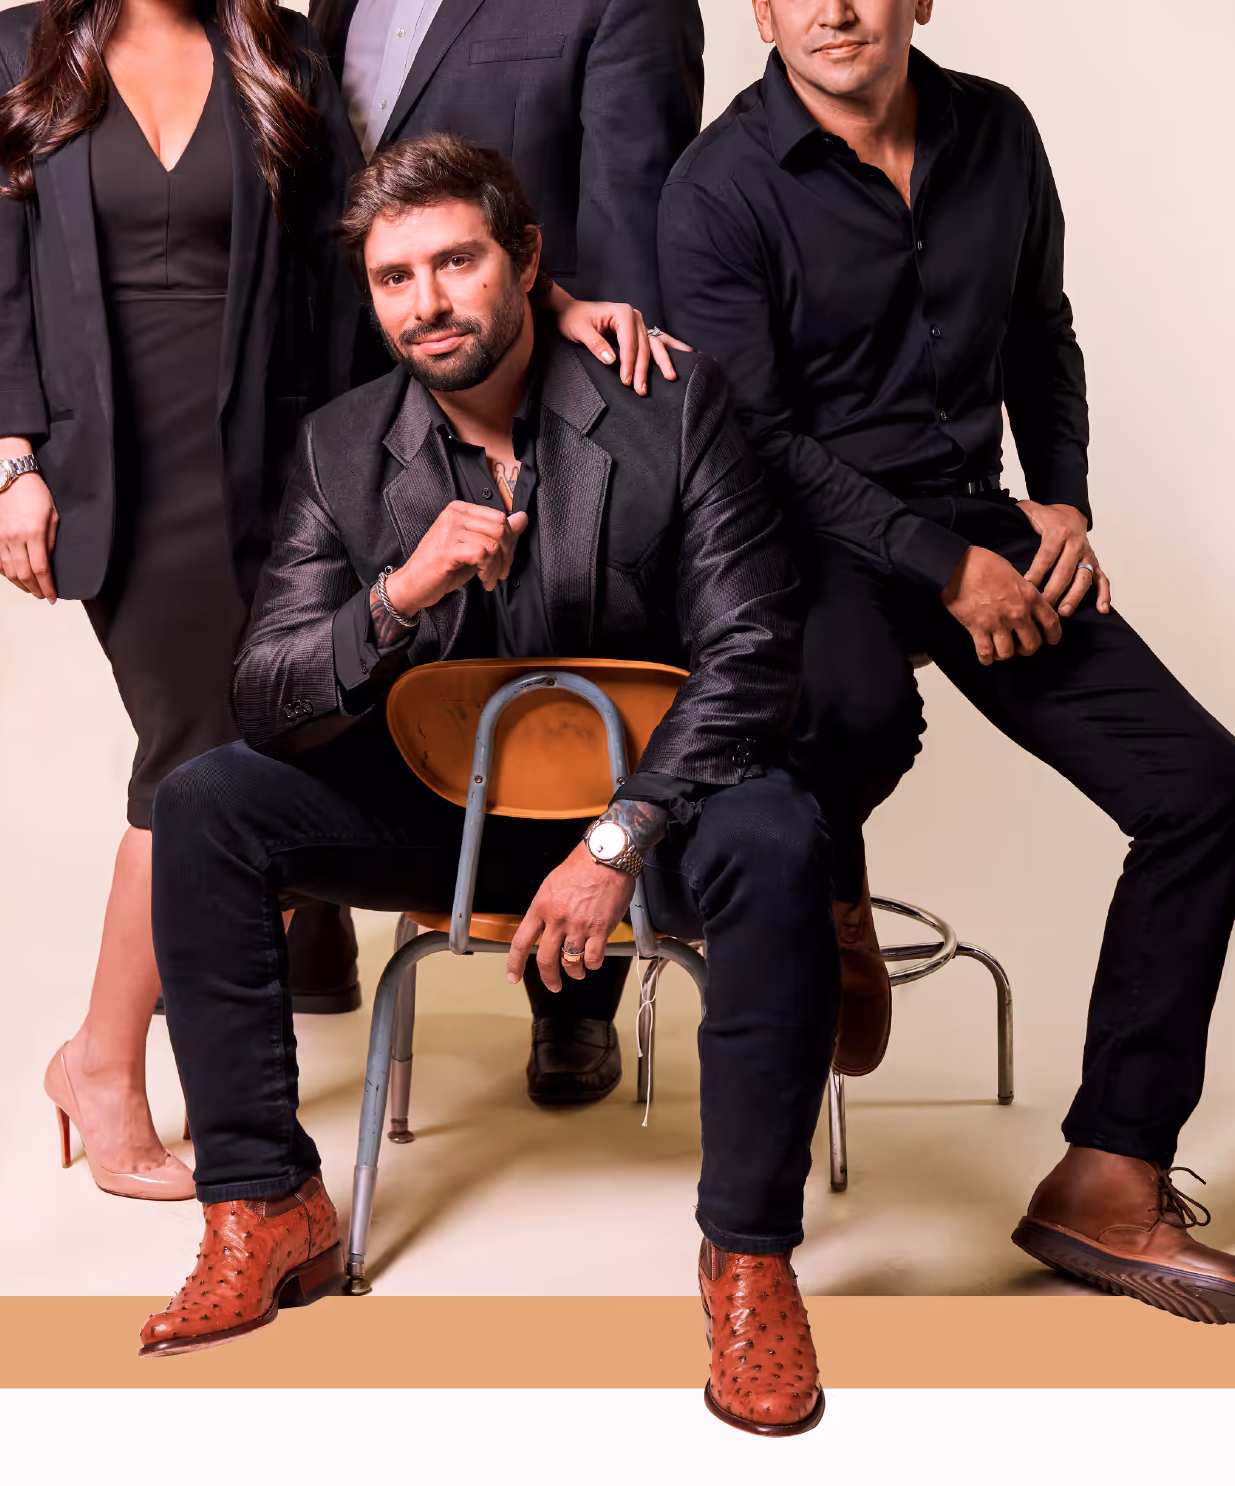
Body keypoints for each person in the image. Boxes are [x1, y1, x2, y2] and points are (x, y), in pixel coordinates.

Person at [0, 0, 654, 1203]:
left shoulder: (280, 53)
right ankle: (105, 1054)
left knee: (218, 757)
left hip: (273, 462)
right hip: (112, 474)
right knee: (197, 751)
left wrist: (546, 296)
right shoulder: (8, 57)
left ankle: (139, 1053)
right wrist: (10, 460)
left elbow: (365, 245)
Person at [144, 135, 833, 1436]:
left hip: (642, 820)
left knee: (784, 833)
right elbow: (266, 691)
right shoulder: (343, 448)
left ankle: (748, 1259)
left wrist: (621, 835)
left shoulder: (671, 404)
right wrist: (395, 596)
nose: (428, 300)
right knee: (205, 801)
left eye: (455, 260)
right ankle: (263, 1199)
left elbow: (752, 651)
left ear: (523, 260)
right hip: (438, 821)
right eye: (396, 277)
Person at [657, 0, 1235, 1325]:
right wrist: (942, 565)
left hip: (980, 516)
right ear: (760, 8)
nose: (835, 8)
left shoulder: (997, 129)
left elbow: (1040, 332)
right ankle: (820, 935)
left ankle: (1109, 1170)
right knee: (842, 722)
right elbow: (757, 441)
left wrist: (1058, 500)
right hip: (802, 540)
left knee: (1204, 786)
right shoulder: (716, 187)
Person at [297, 0, 708, 1092]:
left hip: (522, 372)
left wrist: (609, 327)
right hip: (356, 380)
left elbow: (639, 177)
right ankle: (332, 877)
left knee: (536, 646)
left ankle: (567, 984)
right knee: (367, 638)